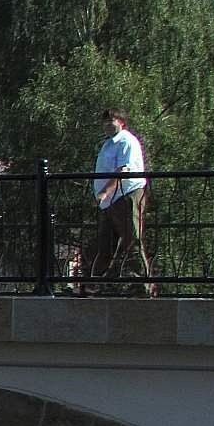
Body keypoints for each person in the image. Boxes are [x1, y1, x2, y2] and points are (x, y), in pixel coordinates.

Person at [89, 108, 154, 293]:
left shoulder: (126, 141)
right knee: (105, 243)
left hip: (126, 195)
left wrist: (105, 192)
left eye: (112, 121)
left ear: (121, 122)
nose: (108, 125)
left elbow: (123, 171)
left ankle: (141, 284)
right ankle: (98, 284)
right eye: (105, 121)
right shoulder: (108, 144)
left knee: (132, 238)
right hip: (110, 201)